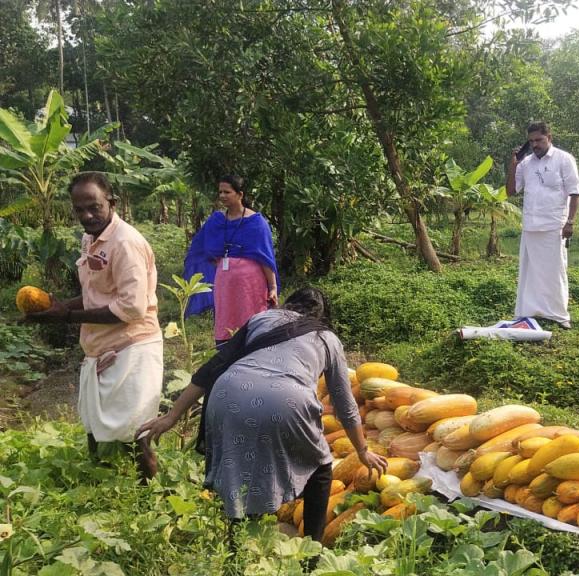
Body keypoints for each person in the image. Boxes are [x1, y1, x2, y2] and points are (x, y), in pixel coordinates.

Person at [136, 287, 387, 544]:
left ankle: (236, 545)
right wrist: (362, 450)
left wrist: (171, 416)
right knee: (321, 469)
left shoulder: (262, 318)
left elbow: (213, 366)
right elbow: (345, 404)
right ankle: (311, 551)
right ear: (324, 315)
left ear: (290, 304)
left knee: (238, 467)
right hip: (286, 401)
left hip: (228, 394)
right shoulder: (327, 338)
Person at [26, 171, 163, 481]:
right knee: (93, 426)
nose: (87, 215)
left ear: (111, 203)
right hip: (99, 346)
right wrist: (57, 307)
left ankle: (149, 495)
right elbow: (94, 294)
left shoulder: (126, 243)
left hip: (132, 347)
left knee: (135, 433)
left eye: (94, 207)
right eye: (79, 209)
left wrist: (67, 317)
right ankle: (95, 487)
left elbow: (131, 308)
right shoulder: (90, 238)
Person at [184, 174, 279, 346]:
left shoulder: (256, 222)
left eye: (227, 192)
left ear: (240, 194)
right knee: (226, 318)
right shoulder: (216, 221)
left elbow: (265, 257)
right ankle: (226, 352)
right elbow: (203, 247)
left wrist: (272, 287)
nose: (222, 196)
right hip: (225, 283)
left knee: (251, 320)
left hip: (251, 284)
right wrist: (222, 264)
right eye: (220, 192)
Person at [505, 122, 579, 329]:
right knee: (529, 272)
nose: (535, 144)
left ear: (549, 138)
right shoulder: (526, 163)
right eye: (531, 141)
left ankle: (559, 315)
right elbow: (511, 191)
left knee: (555, 272)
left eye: (539, 140)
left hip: (554, 225)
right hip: (530, 225)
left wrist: (570, 222)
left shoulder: (564, 159)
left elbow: (575, 192)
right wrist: (513, 164)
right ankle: (528, 312)